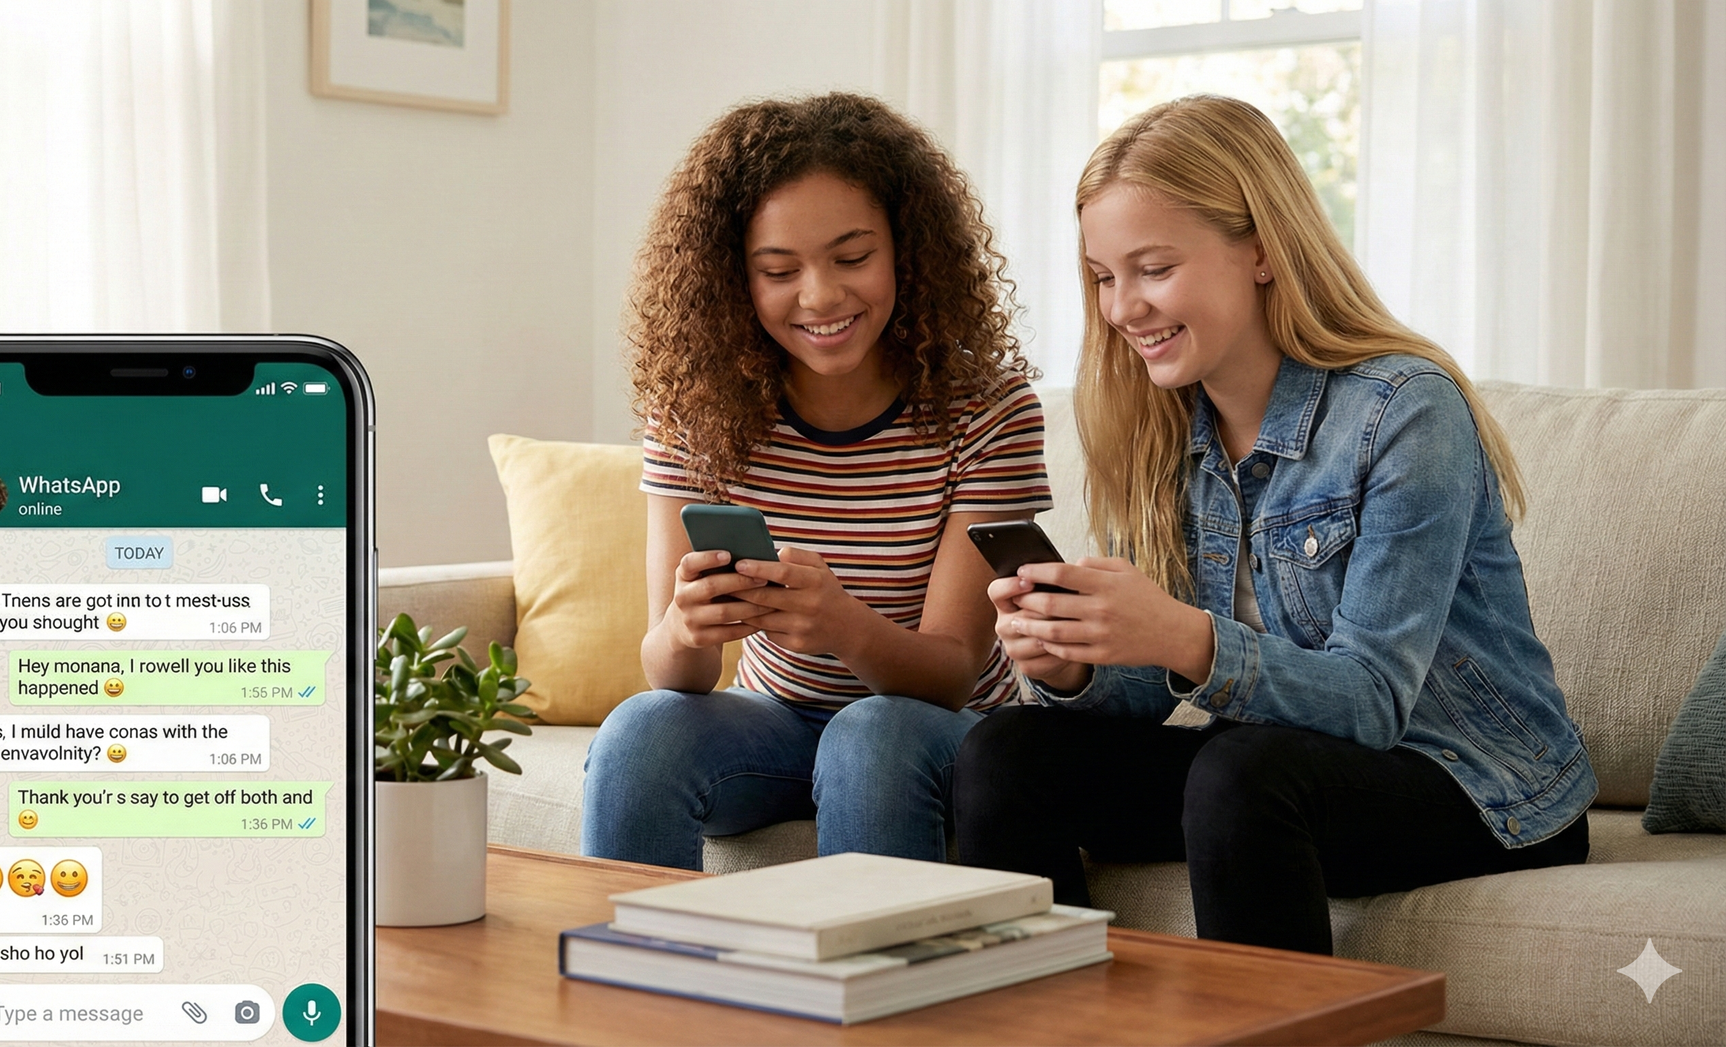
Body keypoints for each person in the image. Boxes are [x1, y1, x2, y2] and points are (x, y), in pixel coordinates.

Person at [953, 95, 1595, 956]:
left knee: (1242, 768)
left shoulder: (1406, 411)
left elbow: (1369, 701)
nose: (1122, 308)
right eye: (1104, 277)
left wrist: (1182, 635)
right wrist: (1077, 667)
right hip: (1273, 776)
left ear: (1259, 248)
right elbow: (1158, 685)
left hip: (1478, 785)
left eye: (1152, 268)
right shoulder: (1163, 427)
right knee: (1006, 752)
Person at [581, 92, 1052, 871]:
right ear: (735, 280)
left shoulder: (988, 411)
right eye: (778, 269)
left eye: (852, 257)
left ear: (908, 251)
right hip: (780, 724)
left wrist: (841, 624)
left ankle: (873, 992)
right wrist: (688, 628)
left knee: (871, 733)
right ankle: (635, 985)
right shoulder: (696, 412)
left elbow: (950, 672)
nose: (820, 295)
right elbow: (672, 672)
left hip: (933, 730)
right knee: (640, 730)